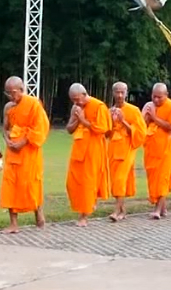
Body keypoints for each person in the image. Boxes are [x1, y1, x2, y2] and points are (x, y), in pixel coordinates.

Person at [0, 76, 50, 233]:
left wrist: (23, 142)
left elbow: (41, 128)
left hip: (29, 152)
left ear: (21, 90)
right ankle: (13, 223)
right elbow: (5, 128)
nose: (10, 96)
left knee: (31, 183)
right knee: (10, 185)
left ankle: (39, 216)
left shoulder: (33, 104)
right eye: (7, 93)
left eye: (13, 92)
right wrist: (8, 141)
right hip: (13, 153)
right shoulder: (9, 107)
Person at [63, 83, 111, 226]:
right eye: (73, 100)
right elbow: (69, 129)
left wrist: (84, 120)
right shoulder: (76, 108)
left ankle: (83, 216)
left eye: (78, 99)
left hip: (93, 149)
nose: (76, 102)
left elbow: (103, 129)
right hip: (78, 148)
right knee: (71, 183)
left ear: (85, 94)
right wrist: (77, 118)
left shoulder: (99, 106)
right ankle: (87, 205)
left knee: (88, 183)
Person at [106, 82, 147, 222]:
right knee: (115, 180)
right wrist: (111, 121)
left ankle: (116, 211)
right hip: (113, 147)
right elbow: (107, 134)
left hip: (128, 147)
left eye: (122, 92)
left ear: (126, 93)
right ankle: (123, 211)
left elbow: (140, 132)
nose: (119, 95)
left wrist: (123, 121)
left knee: (120, 179)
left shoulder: (134, 110)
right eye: (117, 92)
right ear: (113, 93)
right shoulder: (109, 111)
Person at [142, 83, 171, 220]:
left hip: (166, 149)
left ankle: (158, 210)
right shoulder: (150, 106)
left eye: (159, 97)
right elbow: (144, 124)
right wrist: (147, 118)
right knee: (153, 178)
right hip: (152, 148)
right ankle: (164, 208)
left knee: (162, 179)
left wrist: (154, 118)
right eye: (154, 96)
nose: (156, 100)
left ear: (166, 95)